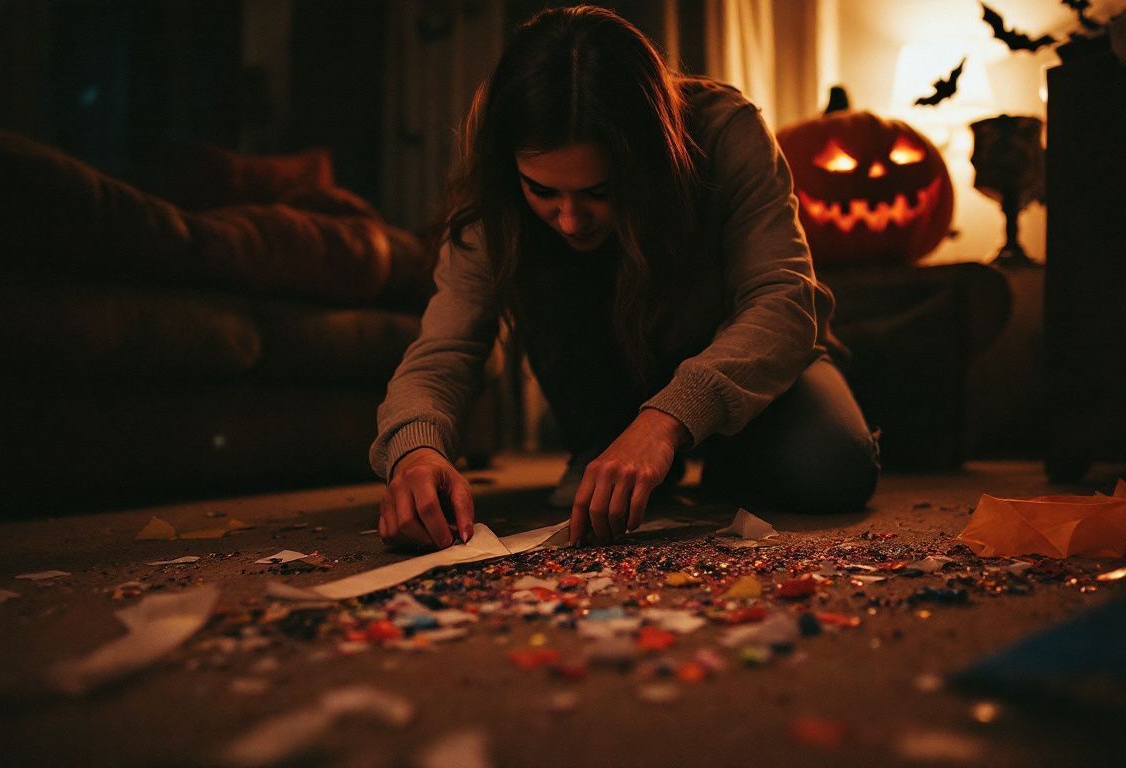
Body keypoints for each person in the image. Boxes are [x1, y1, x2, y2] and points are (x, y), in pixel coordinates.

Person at [370, 5, 878, 550]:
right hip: (606, 385)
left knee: (832, 467)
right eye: (543, 192)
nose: (569, 219)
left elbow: (782, 301)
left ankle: (711, 453)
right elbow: (444, 349)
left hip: (745, 371)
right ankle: (602, 447)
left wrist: (667, 421)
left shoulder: (728, 131)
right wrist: (414, 449)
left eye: (598, 192)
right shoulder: (495, 192)